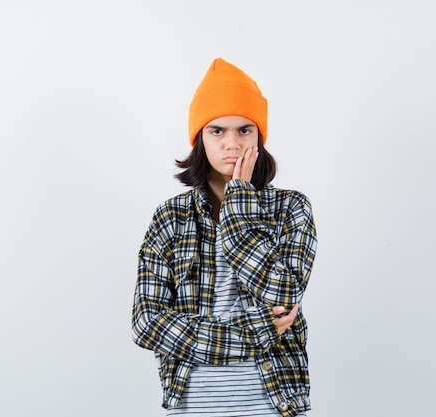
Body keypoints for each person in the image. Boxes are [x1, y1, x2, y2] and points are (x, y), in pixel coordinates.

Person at [131, 57, 318, 417]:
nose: (232, 143)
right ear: (200, 138)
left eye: (244, 130)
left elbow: (282, 297)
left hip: (275, 404)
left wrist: (239, 209)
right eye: (217, 130)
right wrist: (254, 332)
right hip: (192, 406)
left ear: (259, 137)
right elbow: (147, 322)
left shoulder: (291, 208)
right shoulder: (170, 217)